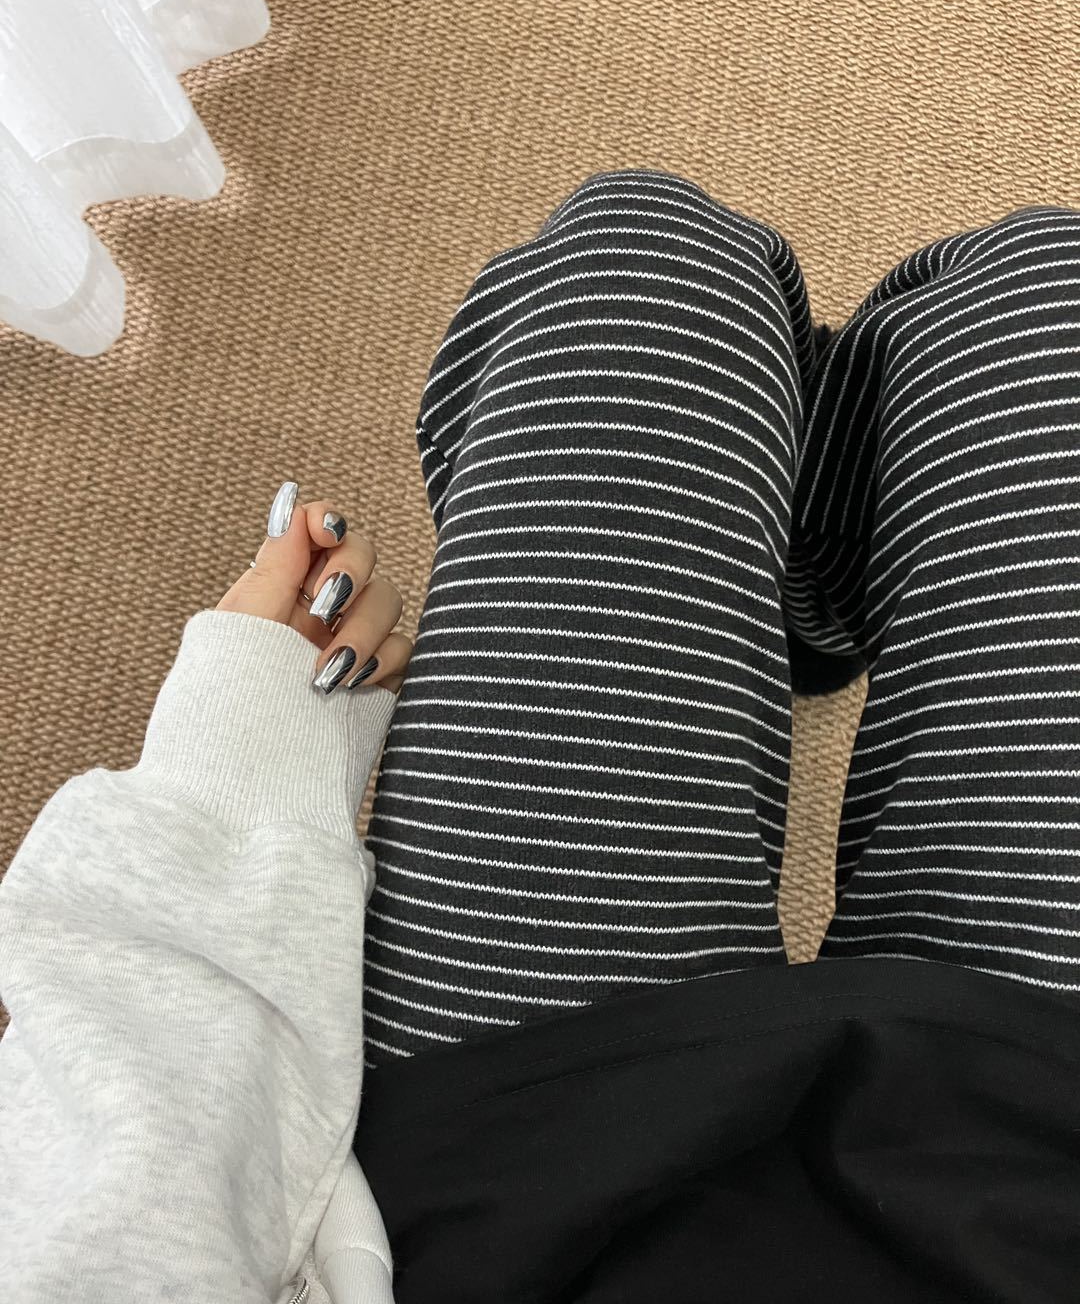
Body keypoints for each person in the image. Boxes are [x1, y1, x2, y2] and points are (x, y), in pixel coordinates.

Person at [2, 169, 1080, 1303]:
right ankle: (805, 598)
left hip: (502, 1169)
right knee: (1041, 296)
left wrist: (224, 814)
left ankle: (797, 602)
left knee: (643, 255)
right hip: (1041, 1173)